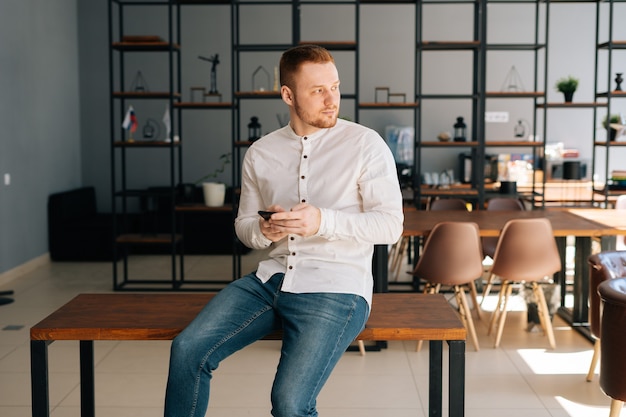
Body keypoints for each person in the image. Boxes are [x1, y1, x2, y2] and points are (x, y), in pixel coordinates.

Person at [164, 44, 404, 417]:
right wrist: (265, 230)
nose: (331, 100)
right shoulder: (261, 152)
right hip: (270, 280)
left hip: (336, 288)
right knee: (187, 350)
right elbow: (244, 229)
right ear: (288, 95)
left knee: (290, 403)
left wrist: (322, 221)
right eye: (317, 90)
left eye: (335, 87)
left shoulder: (365, 144)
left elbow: (391, 225)